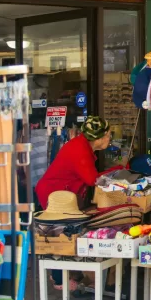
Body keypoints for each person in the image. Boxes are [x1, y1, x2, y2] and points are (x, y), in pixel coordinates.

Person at [36, 115, 113, 291]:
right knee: (58, 235)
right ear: (99, 137)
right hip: (54, 194)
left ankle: (65, 274)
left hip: (62, 191)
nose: (110, 138)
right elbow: (91, 178)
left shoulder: (82, 145)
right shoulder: (80, 149)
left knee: (61, 233)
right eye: (108, 134)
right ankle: (58, 280)